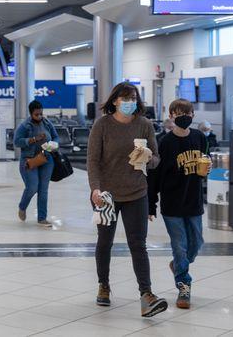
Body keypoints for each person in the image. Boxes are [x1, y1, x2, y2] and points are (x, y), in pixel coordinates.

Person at [87, 82, 167, 317]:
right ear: (115, 101)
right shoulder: (102, 125)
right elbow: (92, 160)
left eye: (133, 97)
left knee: (138, 244)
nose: (130, 101)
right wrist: (95, 189)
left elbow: (156, 160)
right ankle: (103, 285)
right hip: (107, 195)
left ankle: (147, 294)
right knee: (105, 242)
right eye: (125, 98)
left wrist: (148, 157)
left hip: (136, 192)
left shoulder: (144, 124)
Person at [149, 99, 208, 310]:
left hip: (194, 201)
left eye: (187, 112)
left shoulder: (199, 137)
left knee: (197, 243)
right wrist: (151, 203)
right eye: (177, 113)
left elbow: (204, 159)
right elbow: (154, 175)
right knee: (179, 246)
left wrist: (205, 169)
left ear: (192, 114)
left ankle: (178, 267)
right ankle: (184, 286)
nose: (182, 116)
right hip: (172, 202)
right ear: (171, 116)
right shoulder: (164, 142)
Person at [13, 100, 59, 227]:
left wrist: (53, 144)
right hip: (30, 161)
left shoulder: (47, 123)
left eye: (41, 114)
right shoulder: (24, 126)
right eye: (36, 115)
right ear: (31, 114)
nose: (39, 116)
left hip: (46, 159)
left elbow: (56, 136)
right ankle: (22, 206)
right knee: (33, 187)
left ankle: (42, 218)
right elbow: (17, 142)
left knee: (43, 189)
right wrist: (33, 139)